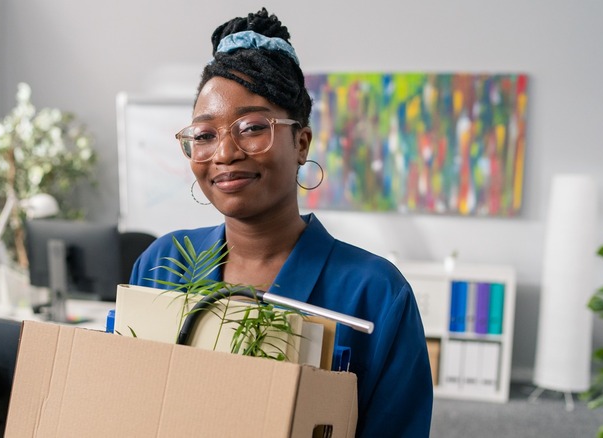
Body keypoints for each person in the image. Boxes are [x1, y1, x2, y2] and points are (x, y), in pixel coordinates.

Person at [129, 8, 433, 437]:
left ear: (301, 142)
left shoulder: (376, 293)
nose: (224, 153)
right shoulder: (163, 264)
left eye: (252, 127)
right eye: (204, 135)